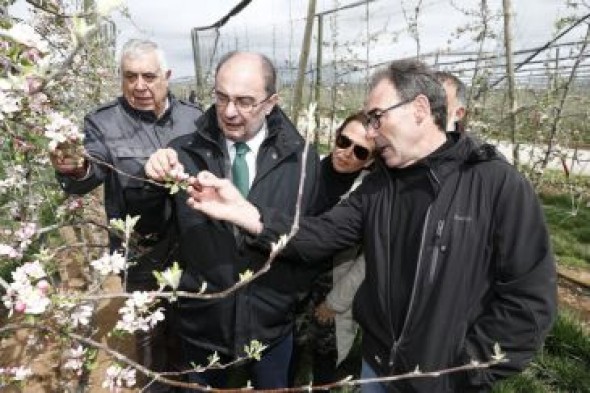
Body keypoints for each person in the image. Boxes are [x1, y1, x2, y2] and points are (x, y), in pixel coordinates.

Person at [185, 59, 557, 393]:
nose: (372, 132)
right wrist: (245, 214)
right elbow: (319, 236)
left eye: (377, 117)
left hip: (447, 381)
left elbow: (530, 298)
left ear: (420, 109)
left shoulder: (494, 185)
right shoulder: (380, 186)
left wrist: (468, 369)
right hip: (376, 369)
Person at [144, 51, 321, 389]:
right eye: (222, 97)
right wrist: (150, 184)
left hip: (270, 327)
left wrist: (288, 301)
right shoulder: (183, 154)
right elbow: (152, 230)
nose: (228, 112)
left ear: (271, 103)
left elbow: (308, 237)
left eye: (244, 102)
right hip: (203, 325)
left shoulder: (300, 159)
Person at [49, 38, 203, 393]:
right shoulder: (104, 122)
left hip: (192, 245)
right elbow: (89, 172)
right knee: (148, 338)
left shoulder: (194, 119)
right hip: (141, 251)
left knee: (187, 329)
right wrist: (75, 168)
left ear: (167, 75)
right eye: (129, 76)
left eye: (149, 76)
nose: (139, 85)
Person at [290, 112, 375, 385]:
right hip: (288, 286)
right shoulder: (303, 173)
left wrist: (336, 301)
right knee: (288, 355)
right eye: (343, 141)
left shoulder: (369, 196)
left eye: (360, 151)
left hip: (330, 289)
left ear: (370, 160)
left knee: (325, 360)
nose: (347, 153)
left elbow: (368, 259)